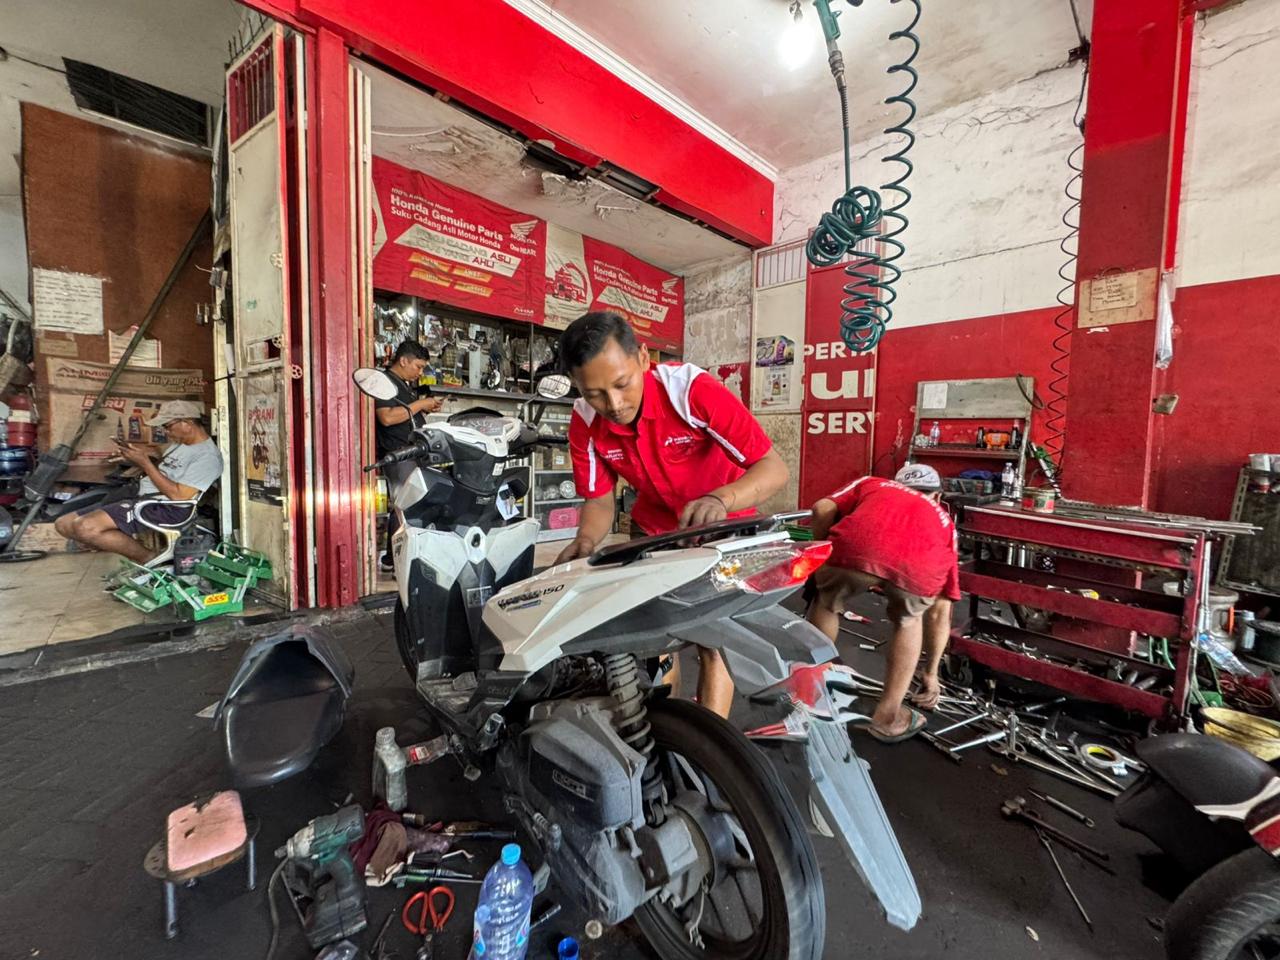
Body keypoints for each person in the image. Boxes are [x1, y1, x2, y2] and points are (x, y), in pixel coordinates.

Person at [554, 312, 788, 718]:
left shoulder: (692, 391)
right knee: (656, 638)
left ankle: (707, 740)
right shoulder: (585, 419)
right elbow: (600, 500)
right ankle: (669, 731)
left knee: (713, 641)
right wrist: (586, 540)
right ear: (577, 386)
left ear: (644, 358)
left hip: (723, 527)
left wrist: (721, 499)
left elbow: (773, 468)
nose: (613, 404)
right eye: (595, 393)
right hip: (655, 531)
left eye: (622, 384)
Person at [805, 463, 960, 743]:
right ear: (937, 497)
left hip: (858, 545)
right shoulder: (946, 523)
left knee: (826, 603)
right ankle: (887, 718)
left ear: (897, 484)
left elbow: (821, 508)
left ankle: (811, 693)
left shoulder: (873, 483)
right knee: (909, 620)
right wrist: (931, 673)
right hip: (918, 567)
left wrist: (821, 557)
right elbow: (940, 612)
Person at [54, 400, 223, 564]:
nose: (165, 432)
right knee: (64, 524)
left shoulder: (207, 457)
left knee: (85, 527)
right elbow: (165, 470)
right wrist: (134, 459)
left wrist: (145, 463)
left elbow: (179, 496)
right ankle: (127, 543)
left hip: (164, 507)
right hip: (140, 493)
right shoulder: (182, 444)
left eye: (167, 426)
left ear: (187, 423)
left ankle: (149, 559)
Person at [375, 340, 444, 571]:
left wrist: (424, 407)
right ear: (403, 360)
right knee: (406, 503)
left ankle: (393, 558)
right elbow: (387, 417)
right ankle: (397, 560)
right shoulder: (384, 382)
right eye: (418, 366)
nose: (420, 372)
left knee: (410, 503)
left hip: (413, 452)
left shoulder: (403, 385)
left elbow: (405, 415)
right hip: (398, 453)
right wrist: (420, 403)